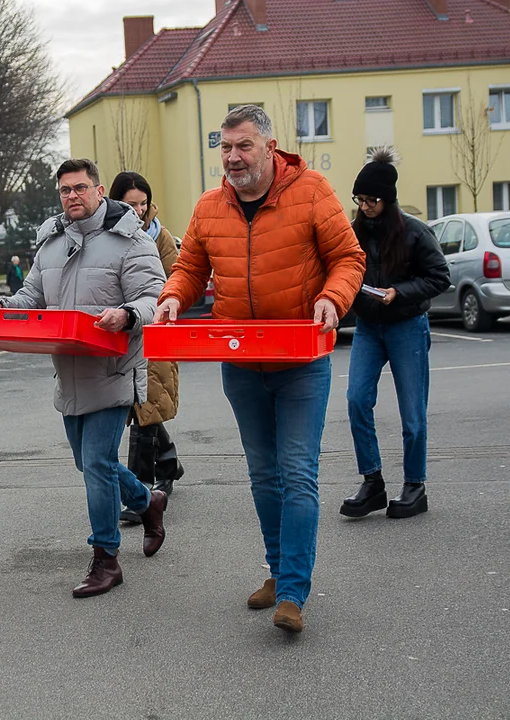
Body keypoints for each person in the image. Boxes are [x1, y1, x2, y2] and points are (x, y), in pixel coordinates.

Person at [155, 105, 365, 632]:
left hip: (302, 361)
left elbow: (349, 258)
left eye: (243, 146)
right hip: (242, 362)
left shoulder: (312, 191)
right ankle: (276, 570)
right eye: (225, 148)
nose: (232, 158)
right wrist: (173, 297)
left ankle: (293, 591)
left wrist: (333, 300)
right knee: (264, 475)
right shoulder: (209, 207)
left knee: (297, 473)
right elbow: (189, 268)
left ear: (270, 148)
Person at [0, 158, 167, 598]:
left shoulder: (131, 240)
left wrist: (126, 315)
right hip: (67, 370)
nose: (73, 196)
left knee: (97, 466)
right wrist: (6, 304)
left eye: (81, 188)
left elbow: (153, 297)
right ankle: (148, 502)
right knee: (89, 464)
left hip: (113, 368)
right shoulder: (50, 242)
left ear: (99, 190)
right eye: (66, 190)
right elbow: (34, 294)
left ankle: (106, 559)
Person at [340, 147, 450, 520]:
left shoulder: (415, 232)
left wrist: (398, 292)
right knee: (356, 400)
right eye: (360, 199)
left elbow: (440, 277)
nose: (366, 206)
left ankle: (415, 486)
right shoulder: (352, 233)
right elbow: (342, 270)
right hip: (369, 327)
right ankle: (372, 482)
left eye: (372, 200)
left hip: (407, 326)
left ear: (388, 200)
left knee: (412, 412)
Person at [108, 171, 184, 524]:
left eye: (143, 203)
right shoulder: (107, 235)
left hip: (155, 331)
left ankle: (141, 489)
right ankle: (168, 461)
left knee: (144, 407)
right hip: (121, 332)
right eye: (130, 204)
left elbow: (175, 280)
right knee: (143, 407)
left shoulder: (160, 237)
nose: (138, 211)